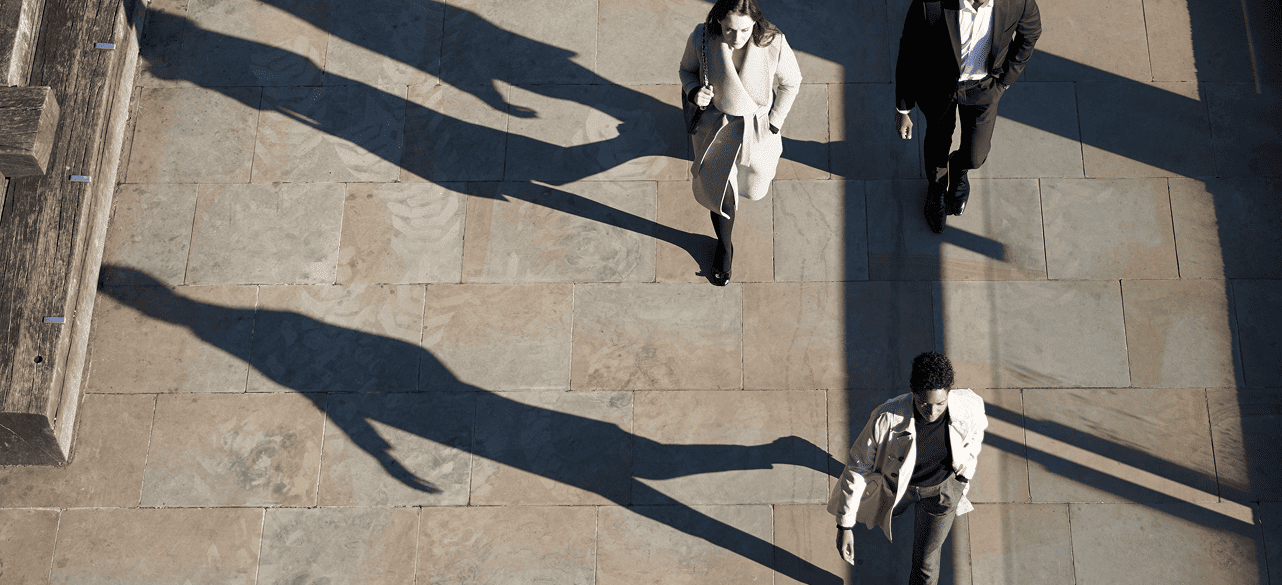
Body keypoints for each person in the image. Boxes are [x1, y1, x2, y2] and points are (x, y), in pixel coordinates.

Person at [828, 352, 987, 585]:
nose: (931, 412)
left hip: (941, 494)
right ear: (913, 391)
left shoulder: (969, 405)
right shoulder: (887, 416)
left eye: (940, 404)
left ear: (949, 394)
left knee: (926, 564)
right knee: (882, 510)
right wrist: (845, 525)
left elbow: (975, 434)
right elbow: (857, 468)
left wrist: (963, 477)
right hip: (900, 488)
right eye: (924, 403)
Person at [679, 0, 801, 286]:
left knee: (754, 184)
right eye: (729, 29)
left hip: (757, 129)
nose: (736, 38)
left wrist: (775, 120)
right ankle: (724, 246)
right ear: (718, 22)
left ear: (755, 23)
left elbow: (791, 82)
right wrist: (694, 90)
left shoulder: (773, 42)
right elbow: (686, 70)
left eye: (744, 30)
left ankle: (724, 240)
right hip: (715, 129)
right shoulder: (702, 37)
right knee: (721, 193)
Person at [894, 0, 1041, 233]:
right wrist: (903, 108)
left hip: (984, 88)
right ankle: (937, 190)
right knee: (937, 142)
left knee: (976, 156)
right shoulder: (929, 4)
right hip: (938, 89)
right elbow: (909, 49)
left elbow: (1030, 34)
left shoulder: (1017, 2)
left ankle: (959, 169)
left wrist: (1005, 81)